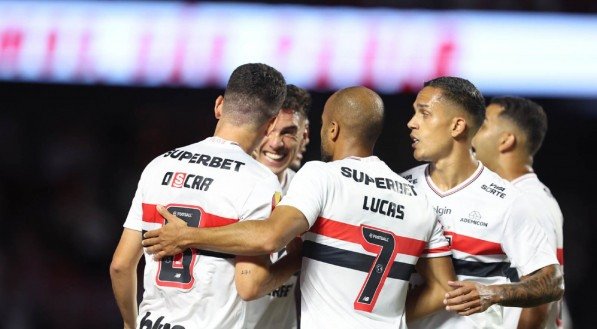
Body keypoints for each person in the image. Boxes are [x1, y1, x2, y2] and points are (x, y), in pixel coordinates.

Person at [142, 86, 459, 328]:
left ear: (331, 129)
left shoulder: (323, 176)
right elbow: (446, 290)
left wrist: (188, 236)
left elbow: (268, 238)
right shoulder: (419, 199)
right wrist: (391, 317)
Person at [109, 63, 300, 329]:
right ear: (270, 125)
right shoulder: (258, 181)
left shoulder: (159, 165)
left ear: (219, 105)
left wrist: (131, 324)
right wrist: (295, 260)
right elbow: (250, 284)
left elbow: (120, 264)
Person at [401, 77, 564, 328]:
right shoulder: (400, 187)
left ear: (457, 126)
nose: (411, 123)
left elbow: (552, 282)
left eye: (424, 114)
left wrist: (492, 293)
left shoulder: (508, 200)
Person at [472, 96, 565, 329]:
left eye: (482, 126)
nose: (471, 133)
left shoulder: (528, 201)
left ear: (505, 140)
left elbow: (539, 303)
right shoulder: (517, 196)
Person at [247, 84, 311, 329]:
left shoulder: (310, 192)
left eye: (288, 132)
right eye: (268, 130)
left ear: (304, 135)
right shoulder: (228, 185)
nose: (275, 143)